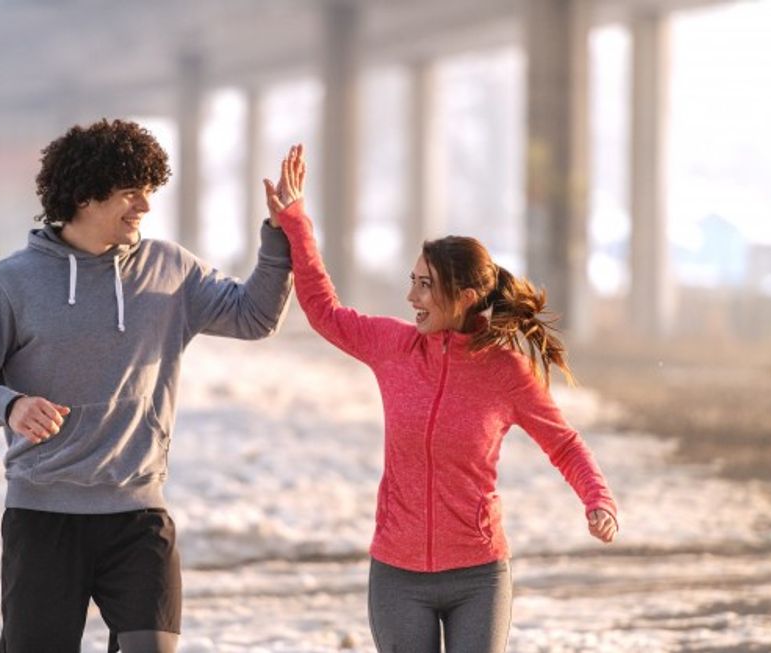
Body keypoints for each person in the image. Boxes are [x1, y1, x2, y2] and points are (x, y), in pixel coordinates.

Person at [0, 118, 293, 653]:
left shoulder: (170, 269)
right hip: (43, 516)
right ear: (85, 196)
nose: (145, 207)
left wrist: (280, 236)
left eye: (149, 192)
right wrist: (9, 406)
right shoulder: (11, 282)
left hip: (137, 515)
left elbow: (254, 317)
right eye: (132, 193)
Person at [263, 145, 618, 653]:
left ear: (465, 295)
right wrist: (298, 224)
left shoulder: (505, 373)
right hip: (398, 575)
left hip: (479, 575)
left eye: (425, 286)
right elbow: (324, 311)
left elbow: (563, 444)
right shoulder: (395, 348)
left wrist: (597, 499)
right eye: (412, 282)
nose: (412, 298)